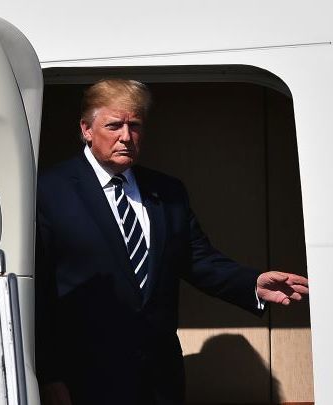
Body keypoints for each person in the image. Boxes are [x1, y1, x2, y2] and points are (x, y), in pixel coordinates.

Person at [34, 79, 309, 405]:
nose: (126, 136)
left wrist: (253, 283)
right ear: (86, 129)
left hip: (159, 380)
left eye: (134, 125)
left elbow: (197, 259)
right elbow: (40, 292)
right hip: (85, 380)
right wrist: (49, 376)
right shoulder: (49, 191)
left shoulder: (166, 191)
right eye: (114, 125)